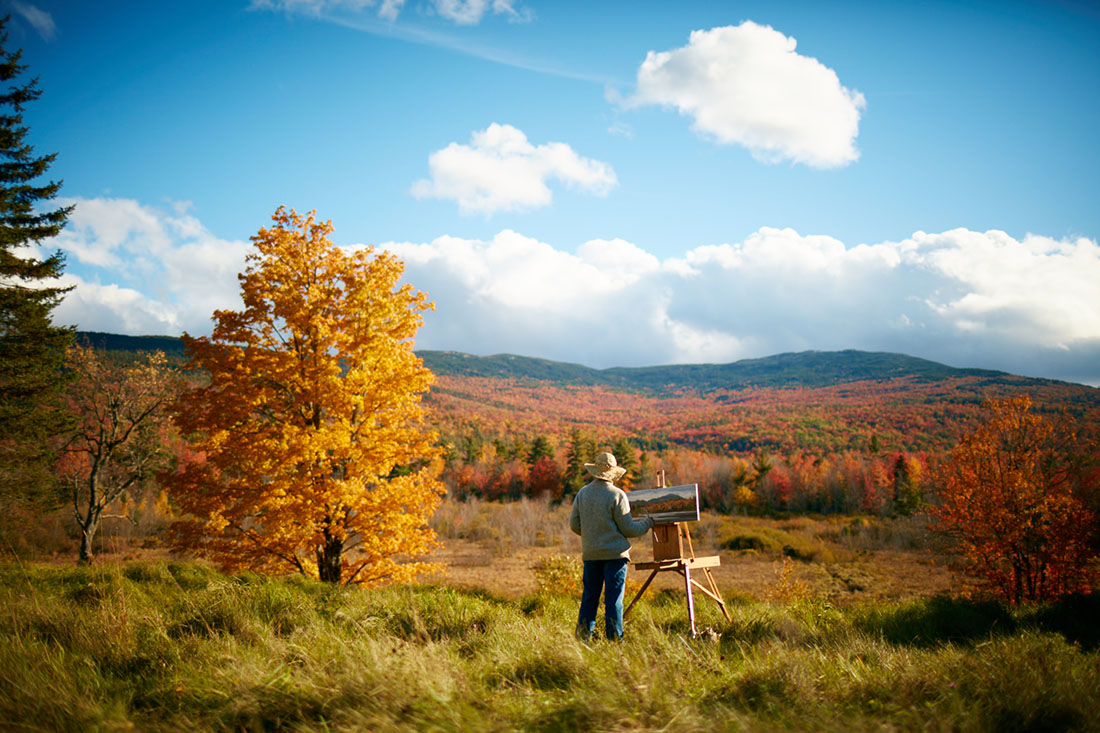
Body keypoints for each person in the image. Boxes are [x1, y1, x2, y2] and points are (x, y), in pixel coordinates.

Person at [569, 451, 654, 641]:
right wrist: (648, 523)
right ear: (613, 473)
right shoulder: (617, 495)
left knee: (589, 598)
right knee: (613, 601)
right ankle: (615, 641)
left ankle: (582, 640)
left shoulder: (582, 494)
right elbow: (629, 529)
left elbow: (574, 524)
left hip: (591, 554)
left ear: (595, 471)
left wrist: (592, 535)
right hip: (615, 556)